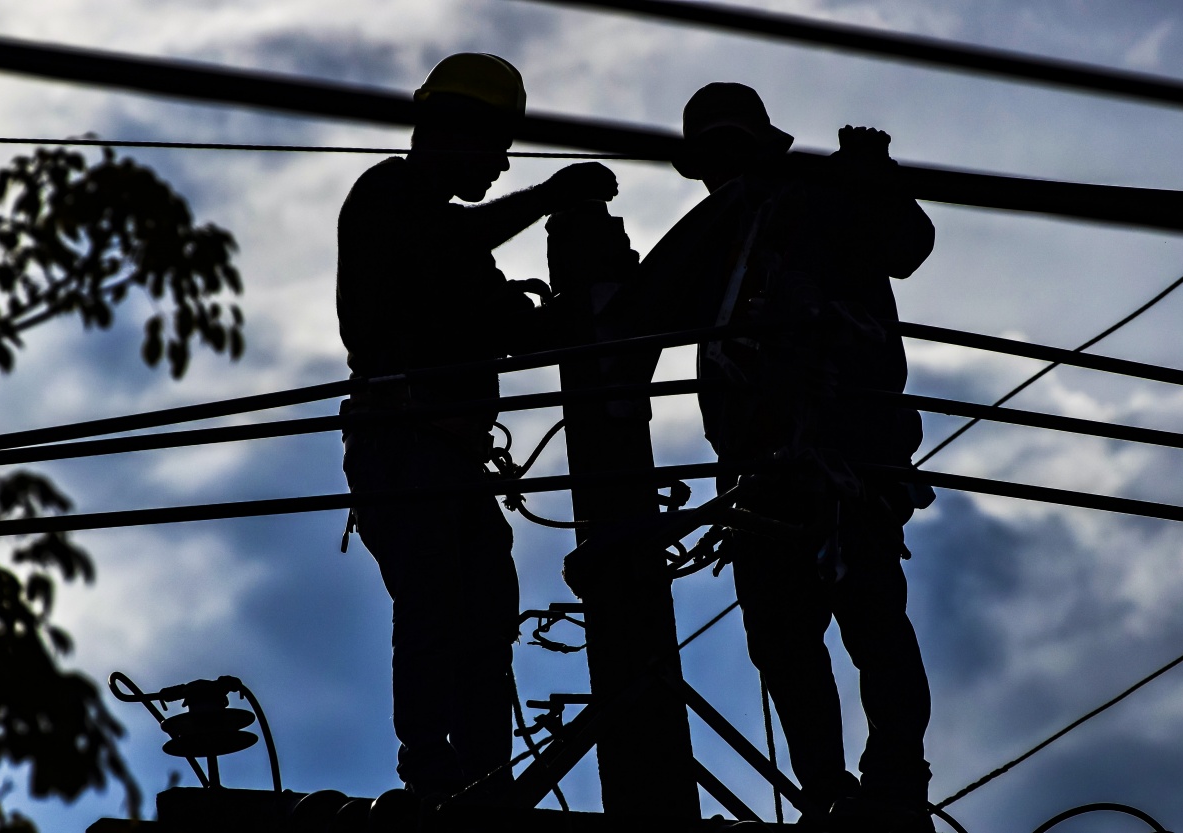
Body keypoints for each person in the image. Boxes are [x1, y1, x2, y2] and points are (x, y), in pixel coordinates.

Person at [608, 83, 936, 831]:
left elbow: (906, 246)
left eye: (732, 149)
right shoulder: (714, 233)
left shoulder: (823, 201)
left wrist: (875, 175)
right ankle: (829, 790)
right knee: (790, 642)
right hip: (765, 472)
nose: (727, 167)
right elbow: (632, 325)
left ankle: (889, 783)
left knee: (868, 621)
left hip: (852, 462)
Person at [336, 53, 617, 803]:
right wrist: (553, 193)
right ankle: (431, 774)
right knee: (431, 602)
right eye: (496, 145)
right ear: (453, 130)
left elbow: (524, 330)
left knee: (487, 614)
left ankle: (488, 777)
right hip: (402, 444)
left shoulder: (459, 253)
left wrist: (602, 296)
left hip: (452, 459)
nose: (501, 163)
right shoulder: (388, 198)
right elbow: (451, 243)